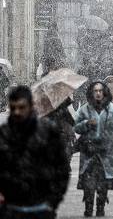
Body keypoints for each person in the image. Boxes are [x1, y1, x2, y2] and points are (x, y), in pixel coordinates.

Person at [0, 86, 70, 219]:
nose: (17, 112)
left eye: (22, 107)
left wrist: (53, 200)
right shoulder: (4, 134)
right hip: (12, 208)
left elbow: (61, 169)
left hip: (41, 207)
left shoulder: (47, 132)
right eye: (13, 108)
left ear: (30, 106)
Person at [74, 81, 113, 217]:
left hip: (106, 152)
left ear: (104, 93)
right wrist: (86, 124)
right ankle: (88, 206)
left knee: (103, 182)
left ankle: (101, 206)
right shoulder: (85, 109)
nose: (98, 93)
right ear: (92, 93)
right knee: (89, 183)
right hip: (89, 151)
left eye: (100, 91)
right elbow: (76, 126)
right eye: (95, 91)